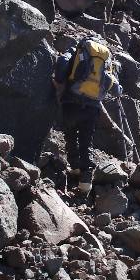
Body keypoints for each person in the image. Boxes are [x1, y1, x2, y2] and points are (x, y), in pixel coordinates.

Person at [53, 37, 121, 196]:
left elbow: (62, 63)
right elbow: (114, 85)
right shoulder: (104, 60)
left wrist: (59, 79)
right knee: (86, 141)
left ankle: (75, 167)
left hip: (72, 101)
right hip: (92, 107)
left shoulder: (77, 50)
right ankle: (85, 182)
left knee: (70, 134)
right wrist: (119, 90)